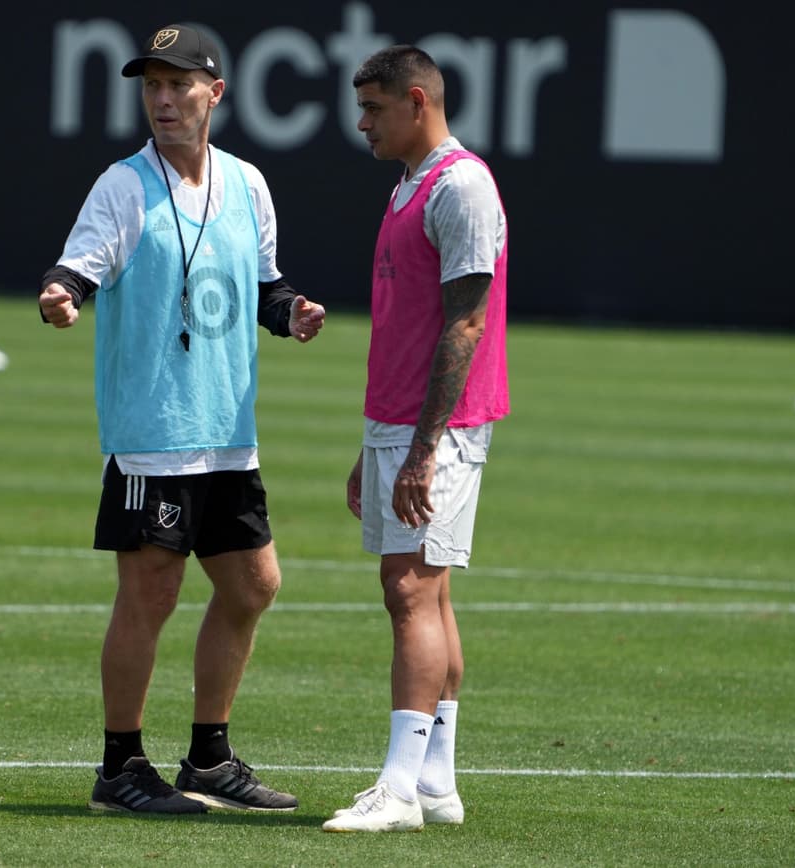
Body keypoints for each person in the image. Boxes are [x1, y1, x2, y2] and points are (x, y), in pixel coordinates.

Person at [39, 23, 326, 815]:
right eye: (151, 86)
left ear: (215, 94)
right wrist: (61, 296)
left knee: (254, 585)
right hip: (153, 433)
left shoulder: (248, 183)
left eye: (177, 85)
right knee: (151, 595)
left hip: (228, 433)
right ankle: (121, 767)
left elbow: (264, 286)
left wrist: (293, 313)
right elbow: (78, 268)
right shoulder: (123, 186)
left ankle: (208, 758)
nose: (162, 100)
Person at [323, 45, 509, 833]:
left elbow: (466, 324)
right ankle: (435, 782)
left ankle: (397, 789)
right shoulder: (410, 185)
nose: (362, 124)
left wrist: (423, 450)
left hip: (440, 430)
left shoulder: (460, 186)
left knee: (408, 590)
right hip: (398, 423)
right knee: (427, 591)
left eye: (374, 109)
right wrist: (371, 446)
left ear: (418, 102)